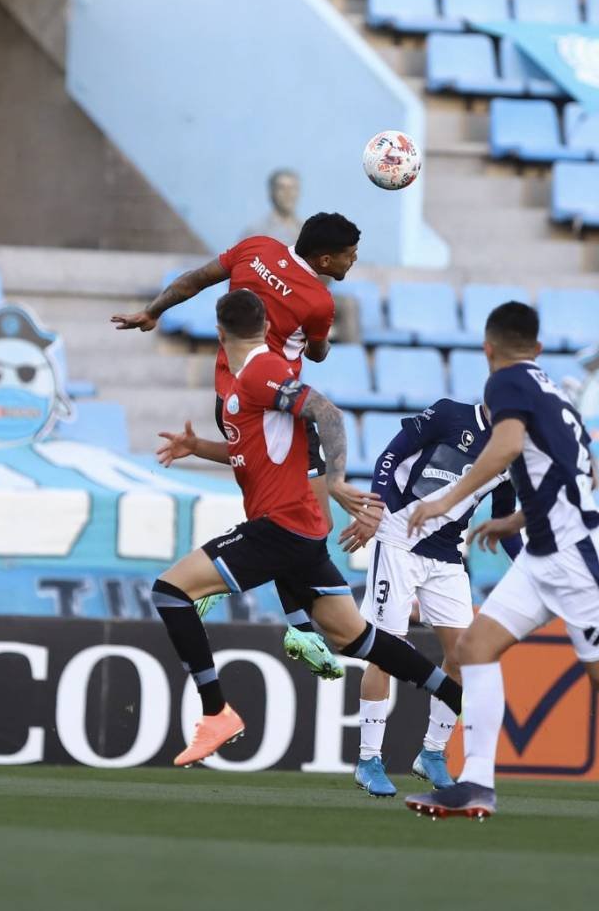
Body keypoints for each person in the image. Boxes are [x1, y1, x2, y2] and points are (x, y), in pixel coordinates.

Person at [151, 289, 466, 765]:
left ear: (219, 333)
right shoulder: (249, 381)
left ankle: (216, 713)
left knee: (171, 592)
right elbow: (252, 453)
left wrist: (336, 479)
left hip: (279, 529)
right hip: (299, 533)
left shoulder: (261, 372)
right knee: (355, 638)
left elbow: (327, 412)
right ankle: (458, 696)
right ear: (263, 327)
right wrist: (199, 448)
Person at [404, 301, 599, 820]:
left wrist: (447, 501)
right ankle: (476, 783)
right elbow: (581, 477)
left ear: (488, 348)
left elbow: (507, 445)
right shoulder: (558, 396)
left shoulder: (505, 382)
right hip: (543, 552)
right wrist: (514, 521)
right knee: (475, 648)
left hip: (576, 554)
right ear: (537, 348)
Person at [112, 212, 361, 680]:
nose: (353, 261)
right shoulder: (319, 302)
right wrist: (314, 336)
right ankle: (293, 624)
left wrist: (154, 311)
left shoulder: (256, 248)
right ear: (325, 258)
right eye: (349, 255)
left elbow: (196, 279)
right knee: (306, 521)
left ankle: (292, 623)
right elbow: (318, 353)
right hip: (276, 406)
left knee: (281, 517)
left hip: (229, 399)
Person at [339, 399, 522, 798]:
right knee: (385, 650)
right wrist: (374, 509)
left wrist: (529, 565)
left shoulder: (511, 452)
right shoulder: (448, 415)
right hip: (398, 540)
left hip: (447, 555)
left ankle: (432, 753)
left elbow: (506, 520)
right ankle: (369, 759)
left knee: (464, 655)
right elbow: (391, 455)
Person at [240, 169, 303, 247]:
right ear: (272, 192)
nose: (288, 193)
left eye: (293, 188)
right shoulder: (256, 233)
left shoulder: (308, 230)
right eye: (281, 188)